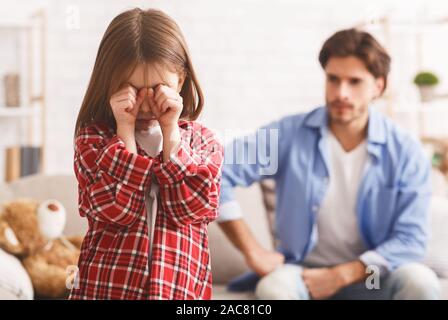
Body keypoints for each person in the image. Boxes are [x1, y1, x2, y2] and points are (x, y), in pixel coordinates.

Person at [218, 28, 441, 300]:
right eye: (333, 79)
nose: (341, 93)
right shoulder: (289, 134)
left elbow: (411, 239)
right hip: (305, 274)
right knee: (275, 288)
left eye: (354, 82)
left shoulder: (406, 151)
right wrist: (252, 250)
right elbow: (216, 172)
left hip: (371, 276)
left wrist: (342, 275)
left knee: (420, 282)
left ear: (378, 87)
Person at [70, 8, 223, 300]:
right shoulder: (92, 141)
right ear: (108, 83)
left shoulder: (204, 143)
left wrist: (171, 132)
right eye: (130, 88)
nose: (144, 101)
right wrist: (124, 130)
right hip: (107, 289)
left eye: (157, 87)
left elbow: (191, 208)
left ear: (180, 80)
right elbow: (117, 211)